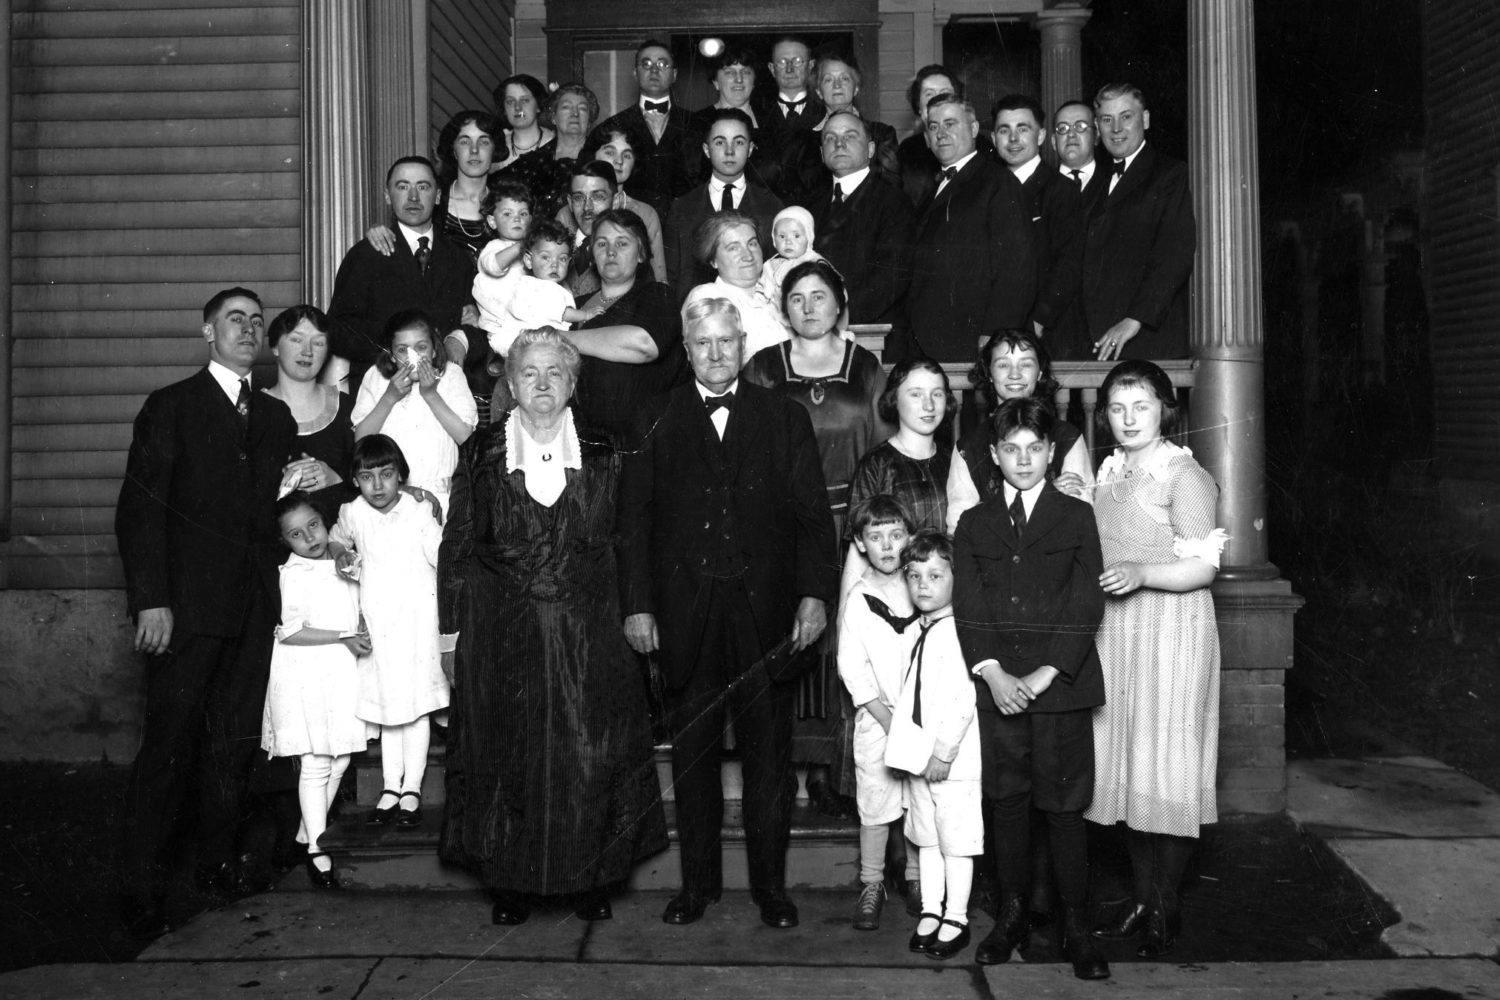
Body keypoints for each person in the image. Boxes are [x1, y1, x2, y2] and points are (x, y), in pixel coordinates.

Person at [618, 297, 839, 929]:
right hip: (685, 615)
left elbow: (810, 517)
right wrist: (637, 607)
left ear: (743, 345)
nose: (716, 354)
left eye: (726, 342)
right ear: (686, 350)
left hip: (766, 614)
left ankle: (771, 888)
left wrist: (813, 595)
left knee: (770, 758)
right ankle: (699, 888)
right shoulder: (654, 415)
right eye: (703, 343)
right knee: (694, 760)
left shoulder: (783, 416)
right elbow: (633, 523)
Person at [438, 328, 668, 926]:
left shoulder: (604, 448)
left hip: (589, 629)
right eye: (530, 373)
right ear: (511, 385)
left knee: (588, 751)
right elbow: (457, 546)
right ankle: (511, 884)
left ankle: (590, 879)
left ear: (572, 383)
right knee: (508, 751)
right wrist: (448, 636)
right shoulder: (481, 451)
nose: (542, 384)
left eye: (555, 373)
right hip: (501, 631)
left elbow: (628, 538)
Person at [115, 288, 296, 936]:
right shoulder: (172, 407)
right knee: (168, 749)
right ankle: (140, 888)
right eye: (234, 320)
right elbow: (140, 510)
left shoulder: (274, 420)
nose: (247, 330)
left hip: (251, 613)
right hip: (187, 612)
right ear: (207, 332)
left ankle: (215, 868)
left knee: (231, 748)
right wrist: (152, 599)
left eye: (255, 321)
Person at [952, 398, 1110, 980]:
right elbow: (967, 605)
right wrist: (993, 673)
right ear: (994, 456)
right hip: (1000, 691)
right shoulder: (974, 523)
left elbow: (1086, 598)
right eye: (1011, 449)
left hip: (1059, 687)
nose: (1023, 459)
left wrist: (1046, 673)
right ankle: (1011, 917)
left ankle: (1077, 926)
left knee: (1064, 808)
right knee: (1008, 803)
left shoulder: (1075, 516)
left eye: (1034, 448)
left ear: (1050, 453)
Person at [1085, 360, 1226, 959]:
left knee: (1166, 769)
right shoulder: (1109, 470)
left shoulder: (1185, 475)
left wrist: (1143, 572)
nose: (1127, 419)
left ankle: (1166, 907)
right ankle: (1142, 899)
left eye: (1140, 406)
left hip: (1172, 630)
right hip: (1116, 632)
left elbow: (1203, 568)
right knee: (1130, 770)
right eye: (1117, 408)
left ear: (1164, 409)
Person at [743, 259, 891, 817]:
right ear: (784, 308)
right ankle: (783, 769)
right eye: (798, 298)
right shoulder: (762, 367)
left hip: (851, 525)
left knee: (848, 648)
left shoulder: (865, 368)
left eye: (819, 297)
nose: (809, 307)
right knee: (790, 641)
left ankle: (838, 771)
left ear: (840, 304)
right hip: (786, 525)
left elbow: (881, 448)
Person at [331, 435, 448, 830]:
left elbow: (443, 556)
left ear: (401, 477)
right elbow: (336, 537)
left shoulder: (417, 512)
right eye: (367, 477)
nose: (377, 486)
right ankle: (389, 787)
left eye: (386, 475)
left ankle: (411, 787)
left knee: (413, 706)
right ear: (355, 480)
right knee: (388, 706)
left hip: (417, 621)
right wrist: (340, 553)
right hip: (379, 621)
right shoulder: (353, 512)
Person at [260, 492, 370, 890]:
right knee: (317, 762)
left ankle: (305, 836)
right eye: (295, 534)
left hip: (340, 670)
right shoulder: (293, 574)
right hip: (306, 673)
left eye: (314, 526)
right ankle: (317, 853)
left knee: (340, 758)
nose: (309, 538)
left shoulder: (342, 561)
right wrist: (345, 634)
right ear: (285, 542)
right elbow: (291, 632)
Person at [890, 529, 982, 961]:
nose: (924, 585)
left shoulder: (958, 631)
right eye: (915, 576)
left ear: (956, 579)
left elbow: (965, 698)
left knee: (955, 841)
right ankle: (931, 909)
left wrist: (943, 753)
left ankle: (957, 916)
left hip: (951, 762)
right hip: (918, 760)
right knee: (926, 838)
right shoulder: (922, 630)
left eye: (935, 575)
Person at [903, 94, 1036, 364]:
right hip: (935, 342)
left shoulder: (998, 182)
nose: (941, 133)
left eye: (951, 123)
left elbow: (1016, 268)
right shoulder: (933, 188)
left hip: (977, 344)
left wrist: (994, 335)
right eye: (933, 126)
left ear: (974, 129)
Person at [836, 494, 917, 931]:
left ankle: (918, 879)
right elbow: (852, 669)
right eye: (875, 536)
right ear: (861, 543)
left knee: (920, 801)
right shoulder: (859, 598)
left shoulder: (923, 587)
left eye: (896, 535)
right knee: (877, 802)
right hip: (879, 721)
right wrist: (890, 720)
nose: (887, 546)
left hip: (921, 720)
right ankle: (871, 883)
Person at [327, 156, 476, 391]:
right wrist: (395, 350)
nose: (414, 197)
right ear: (387, 195)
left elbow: (479, 326)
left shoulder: (459, 258)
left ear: (437, 196)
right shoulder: (365, 254)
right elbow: (338, 331)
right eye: (403, 186)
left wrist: (461, 340)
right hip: (382, 390)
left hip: (446, 392)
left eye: (423, 186)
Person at [1082, 84, 1197, 362]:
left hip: (1147, 338)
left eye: (1126, 116)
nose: (1116, 128)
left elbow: (1175, 254)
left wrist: (1134, 320)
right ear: (1098, 127)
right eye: (1107, 120)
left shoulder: (1171, 174)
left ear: (1145, 119)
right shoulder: (1095, 180)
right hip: (1098, 341)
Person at [948, 329, 1094, 531]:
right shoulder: (969, 446)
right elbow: (959, 529)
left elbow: (1079, 521)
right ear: (989, 373)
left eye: (1025, 364)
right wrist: (1047, 497)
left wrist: (990, 513)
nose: (1014, 374)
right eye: (1003, 365)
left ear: (1040, 373)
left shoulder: (1066, 436)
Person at [569, 207, 685, 439]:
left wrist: (561, 337)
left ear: (641, 254)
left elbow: (644, 344)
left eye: (622, 244)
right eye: (602, 244)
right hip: (579, 443)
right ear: (592, 254)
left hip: (638, 444)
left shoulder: (657, 296)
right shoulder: (570, 305)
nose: (611, 252)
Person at [352, 310, 478, 518]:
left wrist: (430, 394)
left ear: (434, 350)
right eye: (402, 350)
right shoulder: (376, 378)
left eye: (421, 347)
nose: (413, 357)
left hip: (445, 498)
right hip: (391, 499)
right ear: (391, 355)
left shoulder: (451, 375)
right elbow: (361, 440)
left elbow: (466, 437)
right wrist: (389, 398)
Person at [812, 110, 916, 339]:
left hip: (872, 334)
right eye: (830, 138)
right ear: (821, 153)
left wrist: (838, 317)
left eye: (850, 136)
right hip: (816, 333)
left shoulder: (894, 202)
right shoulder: (810, 205)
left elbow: (891, 278)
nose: (838, 144)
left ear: (870, 149)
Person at [664, 108, 783, 301]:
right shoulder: (682, 207)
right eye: (720, 142)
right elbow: (671, 275)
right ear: (706, 150)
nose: (729, 151)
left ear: (751, 149)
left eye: (739, 142)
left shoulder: (772, 206)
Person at [991, 94, 1083, 339]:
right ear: (993, 138)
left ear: (1041, 136)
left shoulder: (1062, 191)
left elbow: (1069, 264)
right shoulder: (986, 191)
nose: (1013, 139)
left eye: (1023, 129)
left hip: (1040, 329)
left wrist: (1041, 319)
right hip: (993, 326)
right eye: (1004, 130)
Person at [365, 111, 506, 264]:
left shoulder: (508, 201)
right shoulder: (432, 198)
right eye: (465, 142)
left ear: (494, 149)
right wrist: (378, 230)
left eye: (484, 142)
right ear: (454, 150)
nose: (474, 150)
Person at [263, 305, 358, 519]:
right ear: (275, 346)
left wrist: (336, 479)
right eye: (297, 340)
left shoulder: (348, 406)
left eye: (318, 342)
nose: (308, 351)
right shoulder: (253, 410)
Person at [590, 41, 699, 220]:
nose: (654, 70)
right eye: (646, 64)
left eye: (663, 64)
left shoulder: (697, 124)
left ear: (674, 74)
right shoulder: (613, 126)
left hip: (686, 224)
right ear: (635, 73)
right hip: (629, 224)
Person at [479, 218, 598, 358]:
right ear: (529, 261)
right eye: (546, 257)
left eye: (562, 259)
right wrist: (585, 315)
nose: (555, 265)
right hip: (524, 346)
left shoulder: (549, 286)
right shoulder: (534, 287)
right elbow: (560, 312)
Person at [681, 211, 789, 361]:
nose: (748, 256)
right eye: (733, 248)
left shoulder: (781, 287)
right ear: (713, 260)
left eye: (752, 243)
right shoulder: (708, 296)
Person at [1046, 99, 1106, 359]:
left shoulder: (1114, 185)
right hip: (1051, 330)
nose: (1070, 134)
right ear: (1051, 141)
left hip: (1101, 327)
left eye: (1080, 126)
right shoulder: (1039, 188)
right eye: (1062, 128)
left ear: (1096, 136)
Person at [578, 126, 668, 282]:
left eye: (627, 155)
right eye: (610, 152)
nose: (618, 161)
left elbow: (659, 279)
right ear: (593, 156)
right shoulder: (572, 211)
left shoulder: (645, 213)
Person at [897, 66, 993, 208]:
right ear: (918, 105)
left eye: (945, 93)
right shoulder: (908, 149)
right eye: (929, 94)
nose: (937, 99)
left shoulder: (981, 145)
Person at [505, 83, 600, 218]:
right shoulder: (532, 163)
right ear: (553, 117)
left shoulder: (601, 159)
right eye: (566, 107)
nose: (575, 113)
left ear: (590, 120)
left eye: (582, 109)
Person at [754, 35, 825, 205]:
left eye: (798, 61)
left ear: (811, 66)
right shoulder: (756, 113)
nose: (790, 69)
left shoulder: (826, 112)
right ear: (772, 69)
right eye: (782, 62)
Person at [471, 179, 535, 351]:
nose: (516, 218)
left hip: (526, 320)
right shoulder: (494, 248)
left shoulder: (534, 250)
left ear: (530, 219)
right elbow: (493, 266)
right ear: (492, 221)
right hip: (500, 325)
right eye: (507, 214)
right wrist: (521, 246)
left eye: (523, 214)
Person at [754, 206, 825, 315]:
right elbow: (761, 291)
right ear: (774, 240)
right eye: (782, 236)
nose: (788, 241)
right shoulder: (770, 265)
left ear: (809, 237)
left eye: (796, 236)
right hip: (776, 316)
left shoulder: (816, 262)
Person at [492, 74, 553, 171]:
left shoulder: (555, 143)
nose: (517, 107)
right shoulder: (496, 149)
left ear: (538, 106)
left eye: (524, 100)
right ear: (504, 109)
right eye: (510, 101)